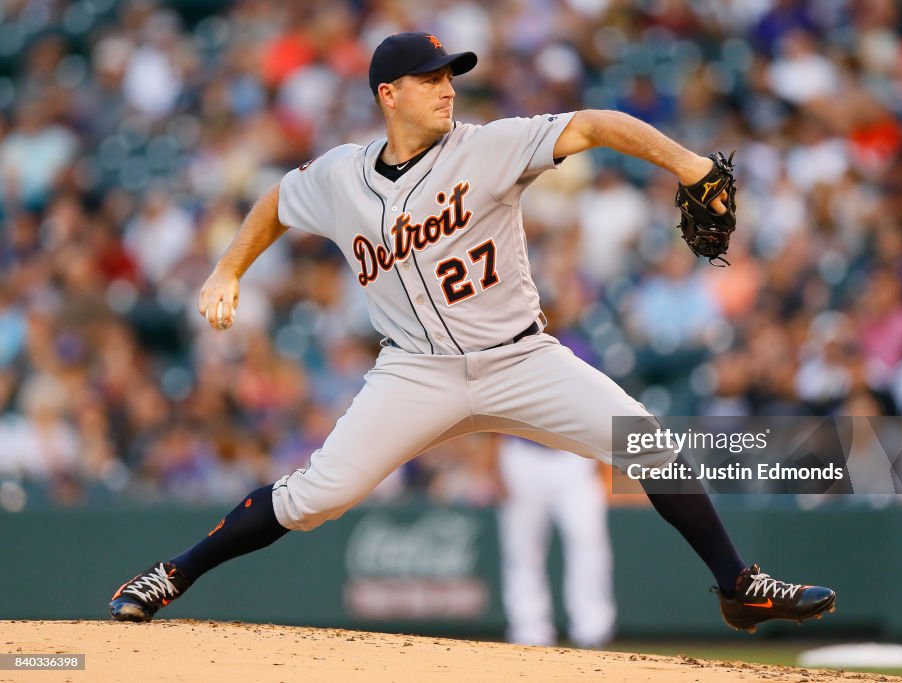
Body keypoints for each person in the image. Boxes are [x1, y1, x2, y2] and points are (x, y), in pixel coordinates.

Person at [109, 32, 836, 633]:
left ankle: (738, 585)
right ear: (388, 95)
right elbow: (276, 200)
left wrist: (688, 163)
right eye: (429, 79)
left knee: (646, 441)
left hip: (520, 357)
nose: (447, 88)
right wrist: (228, 268)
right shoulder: (340, 177)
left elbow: (591, 124)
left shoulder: (491, 146)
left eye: (450, 75)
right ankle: (172, 571)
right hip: (415, 373)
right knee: (315, 498)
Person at [498, 437, 616, 648]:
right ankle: (528, 630)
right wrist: (492, 467)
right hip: (523, 455)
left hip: (574, 453)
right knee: (522, 549)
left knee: (588, 542)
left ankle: (592, 629)